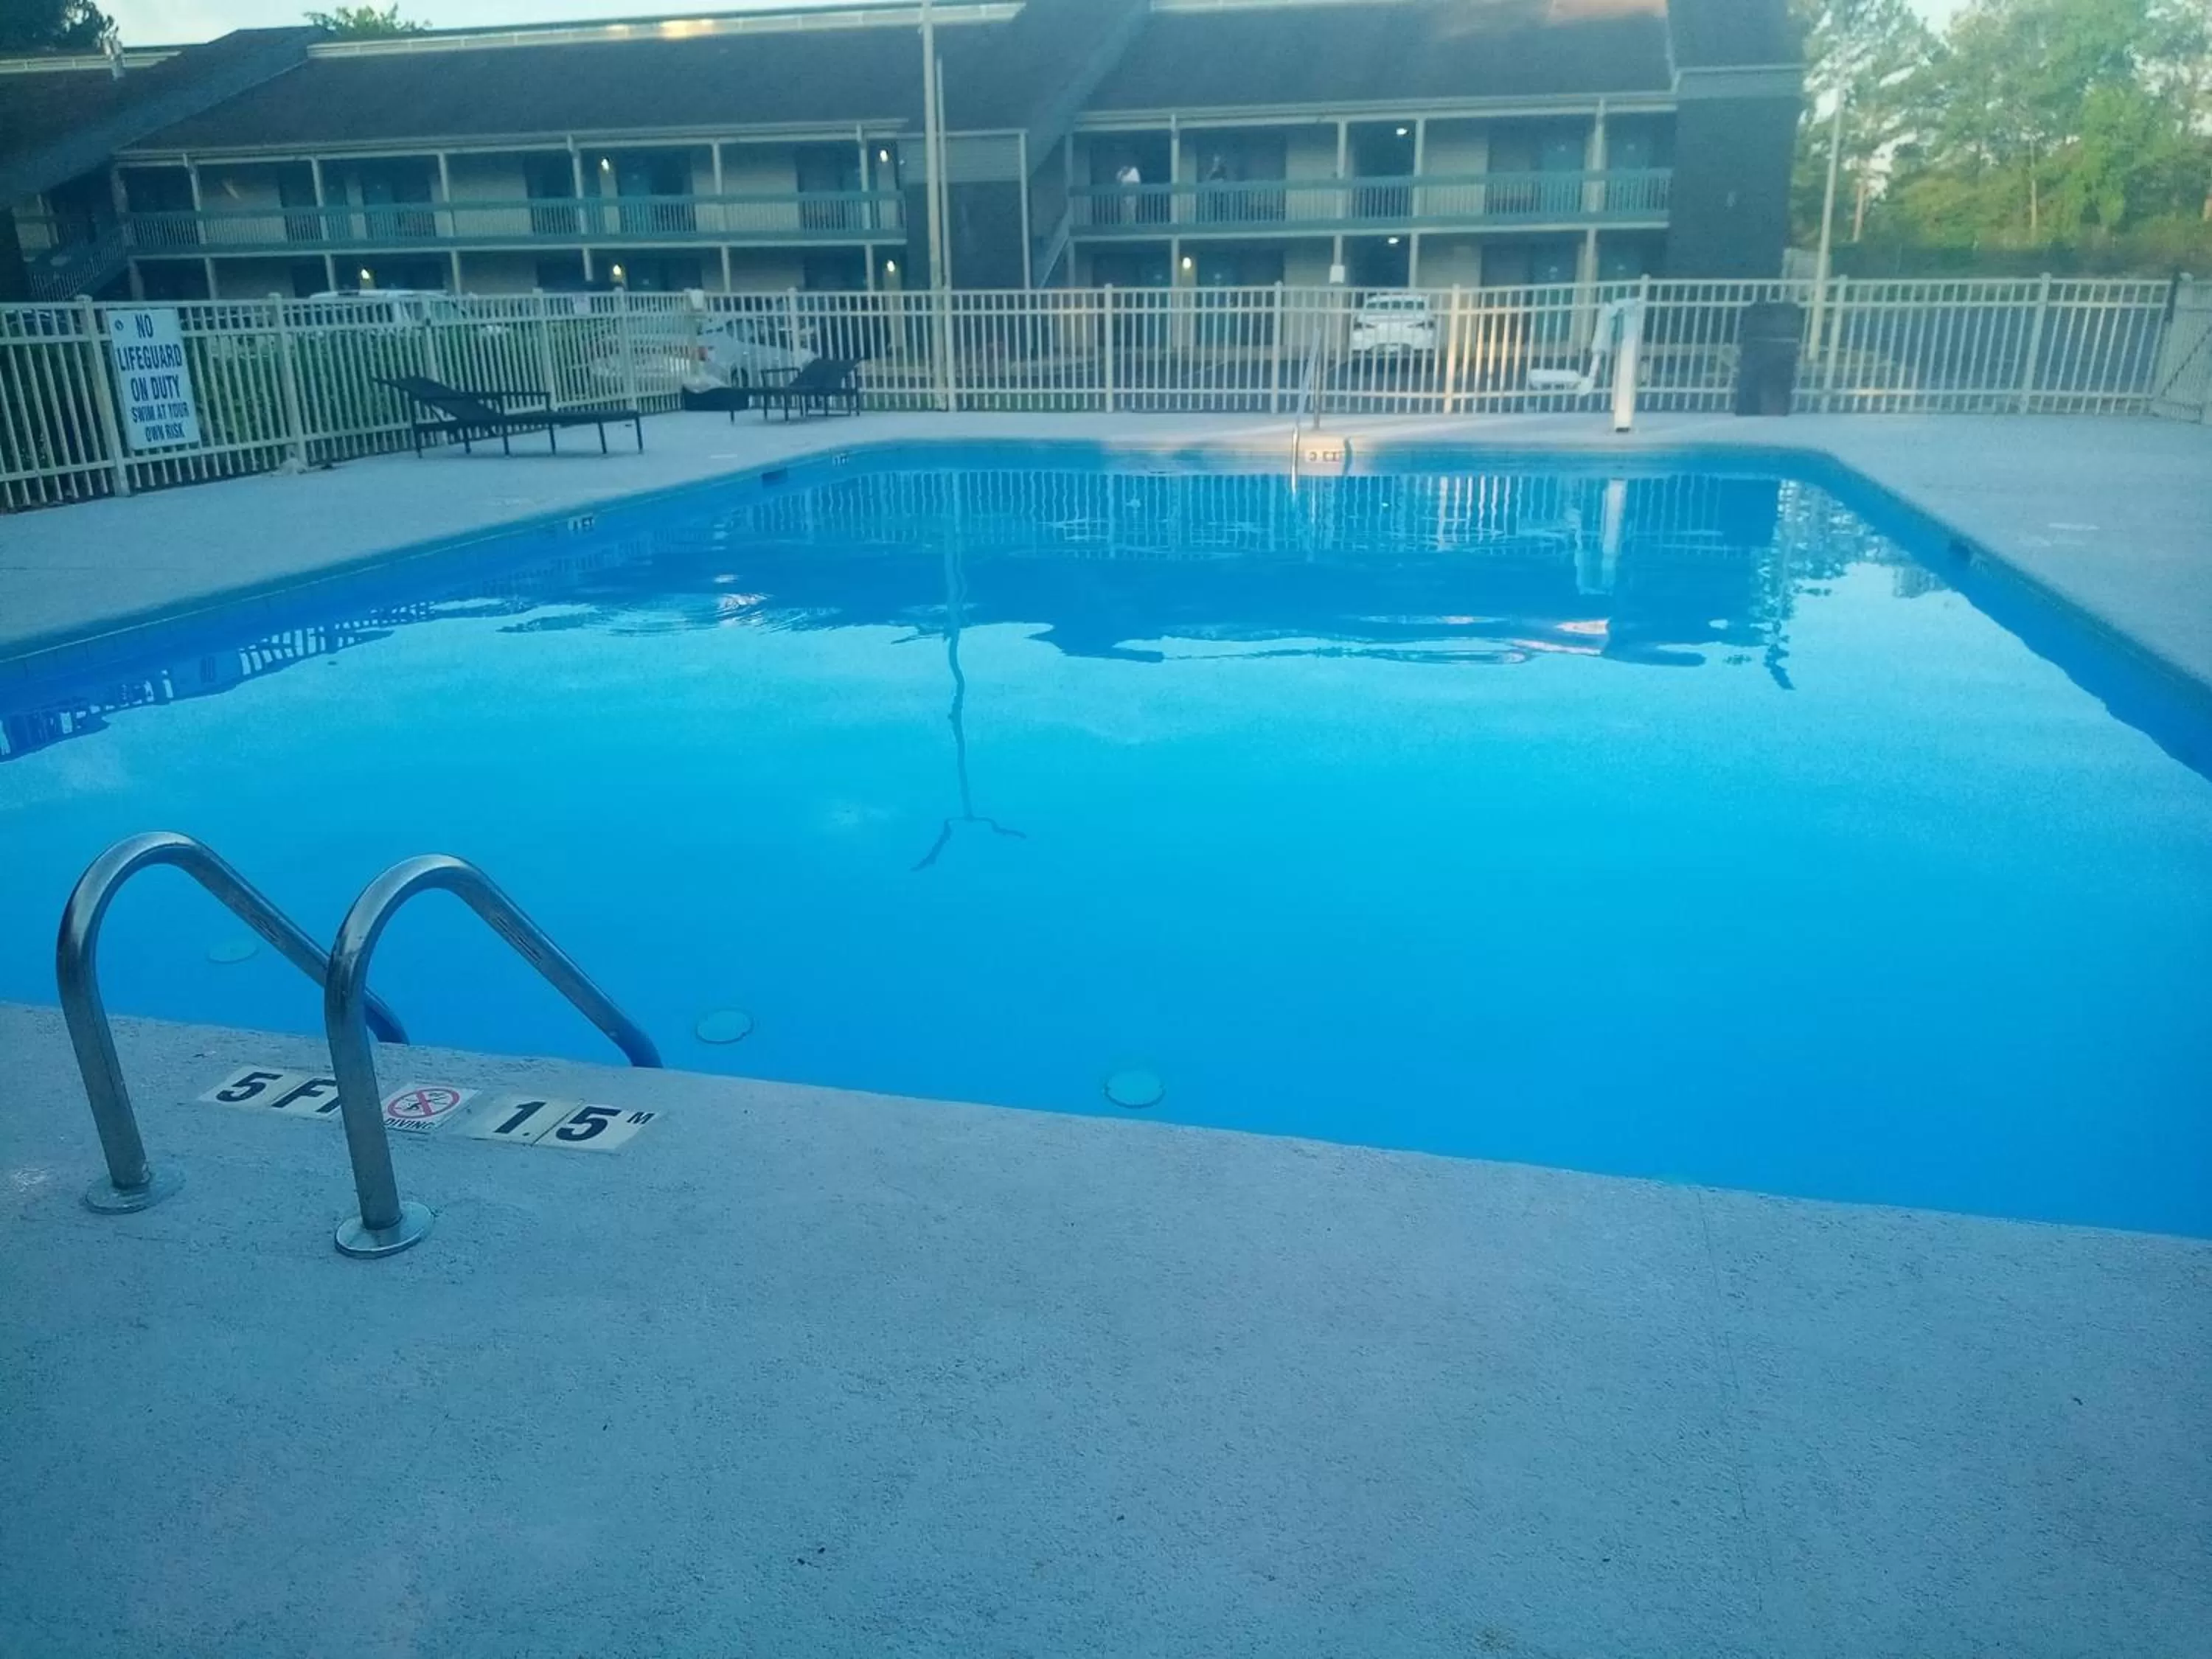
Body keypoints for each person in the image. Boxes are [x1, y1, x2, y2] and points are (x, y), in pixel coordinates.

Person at [1115, 161, 1141, 225]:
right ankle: (1124, 226)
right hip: (1123, 196)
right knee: (1123, 212)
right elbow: (1118, 183)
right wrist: (1122, 175)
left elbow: (1137, 183)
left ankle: (1132, 226)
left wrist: (1128, 185)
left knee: (1131, 211)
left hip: (1131, 195)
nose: (1124, 168)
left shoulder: (1134, 171)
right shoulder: (1120, 173)